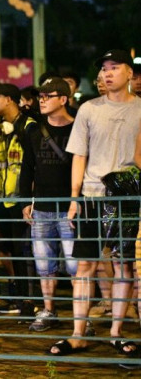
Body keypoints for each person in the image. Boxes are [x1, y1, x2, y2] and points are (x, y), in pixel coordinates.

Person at [51, 50, 141, 365]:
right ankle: (78, 334)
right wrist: (75, 199)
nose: (108, 73)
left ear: (130, 73)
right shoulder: (89, 109)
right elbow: (79, 156)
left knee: (123, 266)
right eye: (104, 69)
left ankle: (117, 332)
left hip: (128, 200)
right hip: (91, 196)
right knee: (85, 267)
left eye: (115, 67)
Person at [18, 78, 76, 332]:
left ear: (63, 99)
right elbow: (27, 167)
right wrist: (24, 201)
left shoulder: (78, 128)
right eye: (39, 97)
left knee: (76, 266)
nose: (41, 101)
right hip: (41, 206)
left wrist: (79, 201)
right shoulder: (33, 131)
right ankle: (49, 310)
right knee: (44, 264)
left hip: (70, 207)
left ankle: (80, 317)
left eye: (47, 96)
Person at [0, 83, 37, 319]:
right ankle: (19, 299)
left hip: (23, 201)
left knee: (25, 253)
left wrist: (31, 200)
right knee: (11, 251)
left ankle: (30, 301)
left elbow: (34, 166)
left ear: (9, 99)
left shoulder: (29, 126)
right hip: (3, 200)